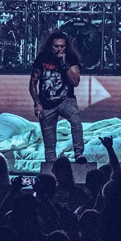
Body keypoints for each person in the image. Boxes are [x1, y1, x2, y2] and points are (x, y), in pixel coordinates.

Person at [30, 31, 87, 164]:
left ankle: (79, 153)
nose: (59, 49)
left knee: (76, 119)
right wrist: (37, 103)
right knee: (49, 142)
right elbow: (33, 82)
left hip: (65, 100)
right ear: (51, 46)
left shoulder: (71, 58)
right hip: (46, 103)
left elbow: (75, 82)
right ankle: (52, 166)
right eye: (56, 46)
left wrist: (64, 63)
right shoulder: (42, 58)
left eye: (62, 46)